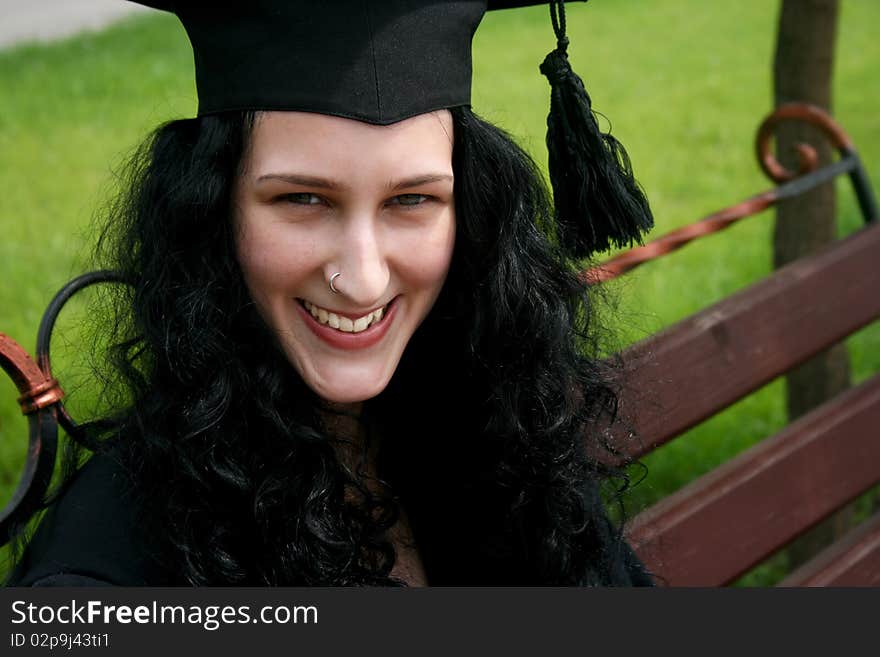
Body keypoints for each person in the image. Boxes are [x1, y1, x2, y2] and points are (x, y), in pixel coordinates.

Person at [6, 0, 654, 586]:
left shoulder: (495, 443)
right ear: (211, 214)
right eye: (303, 199)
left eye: (412, 200)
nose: (364, 277)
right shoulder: (109, 572)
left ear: (473, 215)